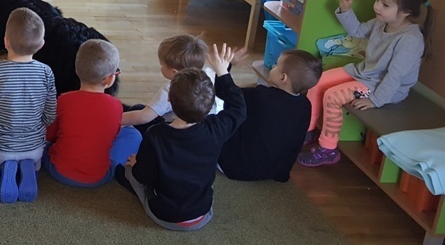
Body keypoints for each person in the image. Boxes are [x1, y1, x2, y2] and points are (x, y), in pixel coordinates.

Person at [299, 0, 435, 167]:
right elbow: (357, 31)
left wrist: (375, 100)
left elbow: (395, 76)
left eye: (385, 4)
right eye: (377, 0)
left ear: (406, 11)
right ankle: (307, 130)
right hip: (364, 73)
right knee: (317, 81)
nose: (377, 6)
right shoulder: (382, 22)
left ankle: (327, 149)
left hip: (381, 87)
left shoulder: (410, 40)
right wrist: (346, 10)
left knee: (332, 96)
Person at [117, 43, 246, 231]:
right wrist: (223, 73)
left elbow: (143, 175)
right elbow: (238, 108)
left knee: (127, 170)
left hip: (164, 215)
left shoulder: (156, 134)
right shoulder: (217, 128)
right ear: (211, 101)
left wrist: (137, 163)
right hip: (203, 213)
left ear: (169, 99)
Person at [0, 7, 57, 203]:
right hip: (34, 148)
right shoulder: (46, 72)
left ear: (6, 41)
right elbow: (50, 114)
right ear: (41, 45)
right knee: (36, 153)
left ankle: (1, 169)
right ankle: (31, 168)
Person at [45, 39, 142, 186]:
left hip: (58, 171)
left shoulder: (64, 100)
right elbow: (111, 136)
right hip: (99, 177)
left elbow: (50, 135)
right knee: (133, 134)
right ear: (109, 79)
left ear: (77, 70)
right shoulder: (116, 106)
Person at [218, 49, 323, 181]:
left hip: (233, 166)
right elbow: (296, 143)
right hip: (273, 170)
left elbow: (223, 92)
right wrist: (283, 174)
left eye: (276, 65)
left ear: (283, 78)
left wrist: (224, 69)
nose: (273, 66)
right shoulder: (305, 105)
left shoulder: (260, 96)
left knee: (213, 112)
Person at [121, 35, 223, 132]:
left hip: (175, 131)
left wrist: (116, 119)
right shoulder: (206, 83)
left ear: (175, 72)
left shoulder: (170, 90)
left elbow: (144, 117)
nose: (161, 66)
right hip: (201, 129)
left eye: (162, 64)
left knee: (138, 109)